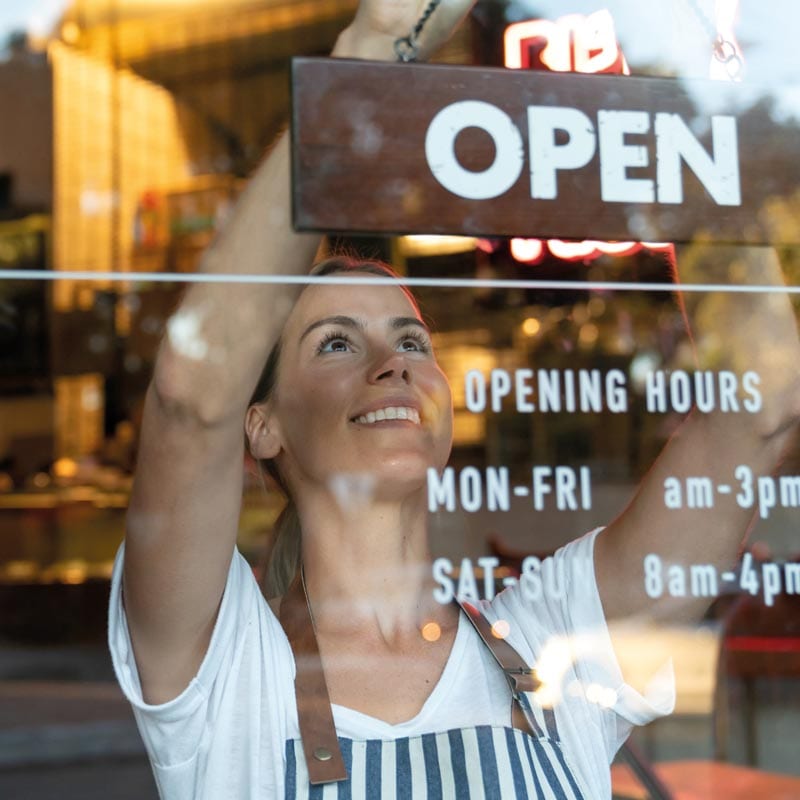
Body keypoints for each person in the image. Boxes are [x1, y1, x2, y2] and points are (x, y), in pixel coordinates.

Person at [108, 0, 800, 797]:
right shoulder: (221, 665)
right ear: (261, 425)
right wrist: (367, 53)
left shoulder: (550, 642)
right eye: (336, 342)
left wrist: (672, 96)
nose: (392, 365)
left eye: (412, 342)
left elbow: (761, 401)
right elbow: (192, 397)